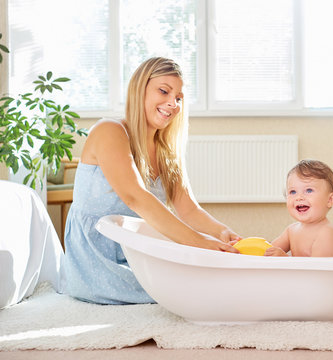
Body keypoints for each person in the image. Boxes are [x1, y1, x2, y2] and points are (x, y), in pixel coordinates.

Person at [62, 57, 240, 305]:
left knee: (219, 279)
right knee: (200, 289)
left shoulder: (166, 150)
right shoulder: (109, 131)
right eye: (164, 91)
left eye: (179, 98)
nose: (173, 103)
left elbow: (188, 209)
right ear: (140, 89)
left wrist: (224, 234)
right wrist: (200, 242)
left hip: (140, 249)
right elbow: (135, 197)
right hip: (99, 256)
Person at [265, 159, 333, 257]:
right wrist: (244, 246)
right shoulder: (291, 231)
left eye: (309, 190)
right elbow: (266, 252)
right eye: (293, 192)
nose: (299, 197)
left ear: (330, 200)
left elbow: (317, 269)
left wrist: (284, 258)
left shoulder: (326, 234)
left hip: (320, 272)